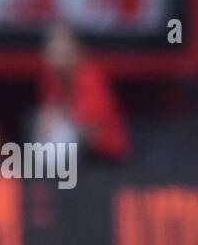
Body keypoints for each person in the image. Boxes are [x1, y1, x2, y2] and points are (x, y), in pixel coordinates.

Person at [34, 21, 131, 160]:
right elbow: (49, 115)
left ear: (75, 49)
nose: (53, 53)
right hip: (79, 156)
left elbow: (89, 128)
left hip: (106, 156)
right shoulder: (52, 78)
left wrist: (60, 118)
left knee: (62, 134)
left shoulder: (89, 76)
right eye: (51, 47)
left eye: (60, 47)